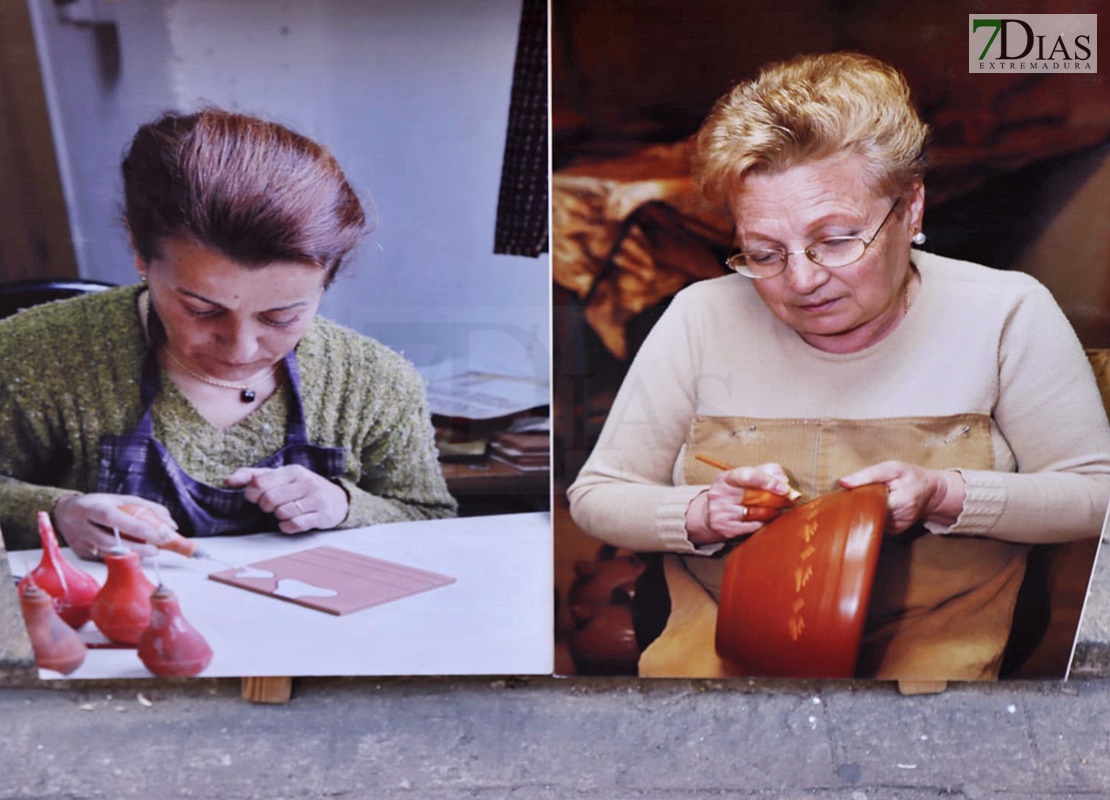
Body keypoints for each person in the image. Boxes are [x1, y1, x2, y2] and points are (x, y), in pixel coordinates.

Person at [567, 52, 1110, 681]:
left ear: (910, 209)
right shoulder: (700, 316)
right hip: (722, 643)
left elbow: (1094, 496)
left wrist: (945, 494)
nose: (800, 280)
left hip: (937, 653)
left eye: (834, 240)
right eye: (764, 252)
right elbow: (597, 498)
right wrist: (700, 513)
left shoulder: (1005, 312)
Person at [0, 108, 457, 559]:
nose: (241, 348)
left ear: (328, 279)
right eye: (200, 309)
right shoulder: (34, 354)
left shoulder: (375, 382)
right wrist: (56, 511)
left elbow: (432, 519)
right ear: (140, 252)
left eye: (280, 318)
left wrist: (345, 505)